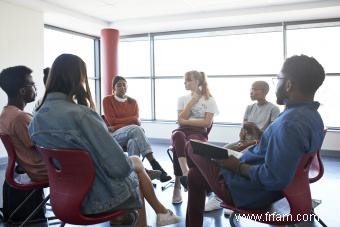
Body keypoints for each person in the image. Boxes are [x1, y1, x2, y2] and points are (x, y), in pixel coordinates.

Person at [28, 54, 180, 227]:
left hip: (63, 197)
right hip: (97, 198)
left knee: (135, 161)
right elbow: (119, 168)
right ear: (78, 79)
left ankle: (158, 210)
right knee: (135, 172)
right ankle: (157, 213)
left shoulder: (35, 120)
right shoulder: (83, 116)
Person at [185, 55, 325, 227]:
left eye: (278, 79)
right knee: (195, 176)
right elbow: (284, 151)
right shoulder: (312, 116)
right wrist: (260, 135)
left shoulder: (289, 124)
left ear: (289, 84)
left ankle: (209, 187)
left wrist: (235, 166)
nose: (276, 85)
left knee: (191, 147)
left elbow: (274, 177)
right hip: (275, 188)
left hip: (246, 190)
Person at [204, 81, 280, 212]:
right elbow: (243, 130)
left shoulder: (273, 109)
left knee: (236, 158)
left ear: (265, 92)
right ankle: (219, 193)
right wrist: (241, 140)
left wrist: (249, 142)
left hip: (260, 144)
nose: (252, 92)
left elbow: (269, 137)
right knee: (222, 151)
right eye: (251, 89)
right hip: (247, 142)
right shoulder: (249, 108)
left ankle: (226, 196)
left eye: (256, 90)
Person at [102, 76, 171, 182]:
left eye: (124, 84)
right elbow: (112, 121)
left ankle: (135, 175)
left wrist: (117, 125)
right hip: (115, 136)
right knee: (136, 129)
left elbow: (136, 122)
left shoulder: (133, 102)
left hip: (126, 132)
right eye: (119, 85)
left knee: (133, 141)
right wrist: (131, 119)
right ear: (113, 88)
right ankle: (154, 164)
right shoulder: (107, 100)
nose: (122, 87)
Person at [171, 70, 218, 204]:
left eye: (188, 80)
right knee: (178, 135)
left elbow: (206, 123)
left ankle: (177, 184)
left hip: (199, 133)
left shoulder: (210, 100)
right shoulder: (182, 99)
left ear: (196, 81)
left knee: (186, 145)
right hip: (182, 130)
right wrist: (192, 101)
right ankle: (185, 174)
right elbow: (181, 120)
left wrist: (185, 121)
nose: (185, 83)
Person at [0, 66, 48, 183]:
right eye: (32, 84)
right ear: (22, 91)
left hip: (28, 169)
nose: (35, 88)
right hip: (42, 172)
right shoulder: (20, 117)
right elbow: (45, 145)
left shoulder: (5, 113)